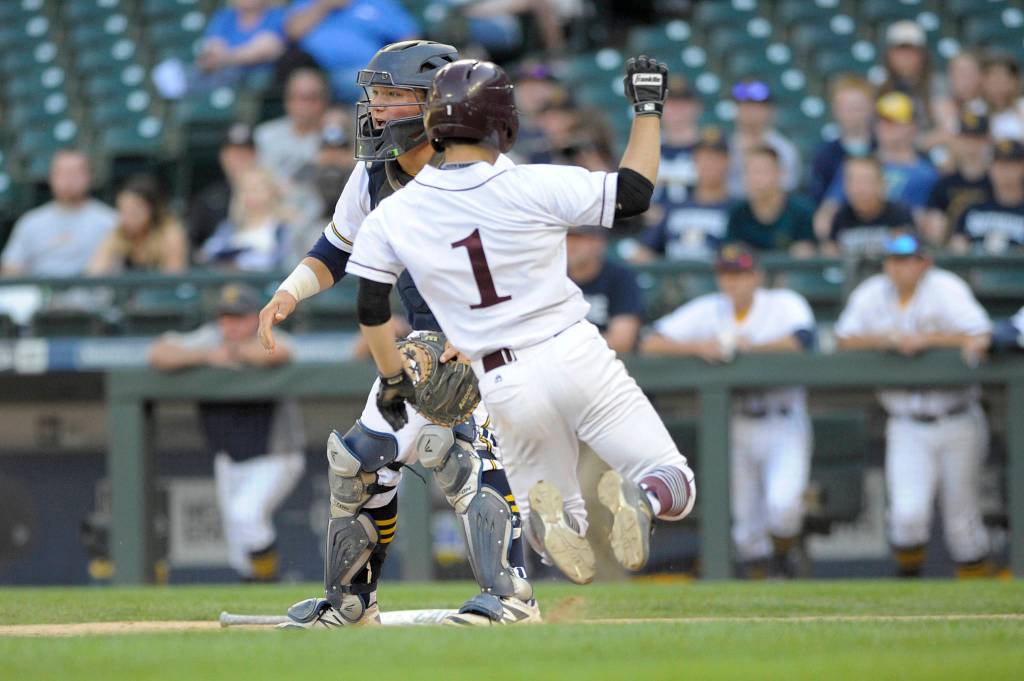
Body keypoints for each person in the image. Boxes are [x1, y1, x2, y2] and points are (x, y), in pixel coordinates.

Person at [342, 56, 695, 597]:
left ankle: (561, 524)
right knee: (675, 481)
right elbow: (635, 193)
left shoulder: (396, 211)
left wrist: (394, 378)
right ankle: (641, 500)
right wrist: (647, 108)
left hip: (502, 378)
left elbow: (370, 306)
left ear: (434, 124)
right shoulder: (534, 184)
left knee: (547, 522)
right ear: (502, 123)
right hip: (574, 350)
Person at [258, 41, 539, 628]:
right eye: (376, 96)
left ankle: (512, 597)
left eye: (391, 96)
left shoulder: (483, 171)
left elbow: (529, 266)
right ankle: (352, 603)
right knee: (360, 461)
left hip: (506, 337)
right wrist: (288, 292)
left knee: (463, 451)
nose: (377, 109)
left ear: (433, 104)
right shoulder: (375, 174)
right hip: (428, 342)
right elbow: (333, 251)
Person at [641, 245, 814, 578]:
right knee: (746, 527)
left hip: (783, 419)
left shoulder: (783, 304)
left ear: (757, 276)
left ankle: (784, 563)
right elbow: (651, 343)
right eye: (726, 274)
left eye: (741, 273)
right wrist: (698, 347)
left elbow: (802, 341)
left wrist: (748, 348)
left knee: (784, 506)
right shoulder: (709, 309)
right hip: (735, 422)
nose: (733, 282)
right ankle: (763, 588)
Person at [834, 232, 994, 578]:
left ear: (925, 262)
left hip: (957, 416)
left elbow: (982, 334)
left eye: (909, 259)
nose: (900, 267)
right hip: (905, 420)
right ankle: (911, 599)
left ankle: (978, 607)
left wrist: (929, 340)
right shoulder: (872, 293)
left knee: (963, 524)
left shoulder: (946, 288)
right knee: (907, 517)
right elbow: (843, 339)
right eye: (893, 260)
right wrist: (884, 340)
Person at [147, 284, 305, 582]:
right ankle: (255, 590)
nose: (230, 325)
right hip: (229, 458)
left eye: (238, 317)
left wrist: (233, 352)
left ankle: (267, 586)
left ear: (255, 317)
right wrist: (207, 356)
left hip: (276, 454)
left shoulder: (267, 334)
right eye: (225, 317)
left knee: (245, 515)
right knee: (238, 545)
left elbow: (280, 352)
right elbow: (157, 353)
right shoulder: (210, 339)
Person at [815, 92, 939, 235]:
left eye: (894, 122)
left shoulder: (926, 174)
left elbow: (926, 221)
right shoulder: (857, 165)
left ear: (912, 126)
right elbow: (827, 212)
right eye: (882, 121)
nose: (886, 127)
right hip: (856, 238)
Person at [1, 151, 116, 277]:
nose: (69, 180)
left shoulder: (109, 220)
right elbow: (11, 267)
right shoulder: (31, 222)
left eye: (75, 173)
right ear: (51, 177)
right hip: (40, 292)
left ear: (88, 177)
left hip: (91, 293)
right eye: (63, 173)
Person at [631, 126, 732, 261]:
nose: (709, 164)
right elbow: (643, 251)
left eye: (715, 158)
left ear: (727, 162)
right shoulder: (673, 207)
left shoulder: (737, 210)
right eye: (703, 157)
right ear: (694, 161)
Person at [284, 0, 419, 102]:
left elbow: (410, 37)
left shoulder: (377, 3)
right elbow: (293, 31)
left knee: (374, 86)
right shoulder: (311, 4)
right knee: (302, 85)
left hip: (364, 71)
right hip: (316, 71)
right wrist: (323, 5)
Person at [87, 176, 188, 275]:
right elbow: (94, 273)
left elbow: (172, 279)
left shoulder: (170, 233)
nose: (127, 218)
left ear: (152, 209)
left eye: (134, 211)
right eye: (123, 210)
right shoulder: (118, 233)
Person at [726, 146, 816, 256]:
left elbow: (808, 260)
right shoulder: (737, 215)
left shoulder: (802, 213)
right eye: (749, 172)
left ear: (780, 173)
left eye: (761, 172)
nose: (755, 179)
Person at [566, 226, 642, 354]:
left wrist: (564, 347)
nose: (570, 245)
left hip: (607, 363)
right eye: (567, 237)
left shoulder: (620, 276)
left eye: (579, 238)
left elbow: (622, 342)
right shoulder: (550, 277)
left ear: (599, 243)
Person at [198, 167, 290, 271]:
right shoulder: (228, 228)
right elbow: (206, 254)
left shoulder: (283, 227)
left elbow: (281, 260)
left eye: (256, 189)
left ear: (271, 191)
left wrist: (238, 260)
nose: (250, 195)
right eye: (244, 190)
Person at [923, 112, 993, 246]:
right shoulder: (944, 184)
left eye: (977, 138)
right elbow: (933, 227)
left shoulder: (997, 183)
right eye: (966, 138)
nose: (972, 145)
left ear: (987, 140)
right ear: (957, 140)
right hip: (953, 253)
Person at [823, 156, 915, 256]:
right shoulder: (839, 218)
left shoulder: (899, 216)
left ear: (881, 183)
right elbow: (832, 258)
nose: (859, 188)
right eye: (853, 181)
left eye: (865, 181)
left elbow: (909, 256)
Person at [187, 124, 259, 250]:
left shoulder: (271, 194)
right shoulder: (209, 198)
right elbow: (192, 241)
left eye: (244, 153)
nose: (239, 159)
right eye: (232, 154)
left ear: (255, 155)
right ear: (222, 156)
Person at [726, 78, 800, 198]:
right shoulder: (723, 147)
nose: (750, 112)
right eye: (744, 105)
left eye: (756, 106)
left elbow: (786, 191)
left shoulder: (783, 149)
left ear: (769, 110)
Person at [254, 69, 329, 186]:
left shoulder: (334, 137)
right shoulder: (265, 134)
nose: (306, 105)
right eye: (301, 98)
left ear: (324, 101)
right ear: (288, 101)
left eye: (313, 98)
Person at [809, 74, 875, 205]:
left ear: (871, 108)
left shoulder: (884, 149)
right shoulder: (824, 155)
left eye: (858, 107)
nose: (853, 114)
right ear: (835, 110)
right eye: (847, 108)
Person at [951, 139, 1024, 253]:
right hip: (976, 269)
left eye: (1012, 165)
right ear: (990, 168)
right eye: (1000, 165)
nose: (1005, 172)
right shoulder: (972, 209)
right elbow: (957, 247)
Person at [878, 21, 941, 146]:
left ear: (922, 55)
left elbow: (947, 129)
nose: (905, 57)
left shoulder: (937, 85)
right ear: (889, 55)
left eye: (911, 51)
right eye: (900, 51)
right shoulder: (880, 88)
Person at [196, 0, 286, 82]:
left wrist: (224, 58)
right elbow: (212, 50)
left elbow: (267, 48)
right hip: (224, 78)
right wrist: (243, 54)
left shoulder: (277, 16)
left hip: (262, 80)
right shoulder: (224, 17)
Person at [656, 75, 703, 204]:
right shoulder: (645, 148)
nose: (676, 109)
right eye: (670, 103)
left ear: (697, 107)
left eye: (683, 104)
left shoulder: (711, 147)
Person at [981, 52, 1024, 142]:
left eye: (1002, 80)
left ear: (1015, 82)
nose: (997, 87)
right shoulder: (975, 110)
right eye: (993, 80)